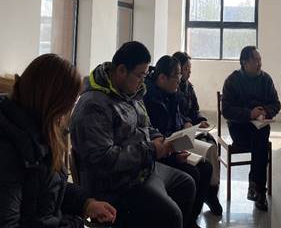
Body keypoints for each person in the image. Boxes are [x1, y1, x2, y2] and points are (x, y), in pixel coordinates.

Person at [70, 41, 196, 228]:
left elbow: (146, 125)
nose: (143, 81)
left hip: (141, 170)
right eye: (140, 75)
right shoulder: (93, 105)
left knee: (186, 184)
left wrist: (159, 139)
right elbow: (103, 159)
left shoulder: (132, 93)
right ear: (121, 70)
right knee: (171, 215)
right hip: (116, 185)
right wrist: (152, 150)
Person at [0, 54, 116, 227]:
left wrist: (86, 204)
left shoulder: (38, 131)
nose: (68, 113)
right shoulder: (9, 148)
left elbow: (48, 189)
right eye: (68, 105)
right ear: (52, 102)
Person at [144, 55, 221, 224]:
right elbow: (152, 134)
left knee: (206, 165)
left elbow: (183, 115)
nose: (180, 79)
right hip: (161, 152)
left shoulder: (173, 93)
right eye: (177, 75)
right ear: (162, 78)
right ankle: (185, 220)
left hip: (174, 144)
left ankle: (192, 218)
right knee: (193, 173)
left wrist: (187, 123)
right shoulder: (148, 98)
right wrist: (173, 153)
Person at [221, 46, 281, 211]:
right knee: (261, 140)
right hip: (239, 128)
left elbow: (276, 104)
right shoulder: (232, 80)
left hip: (259, 126)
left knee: (260, 135)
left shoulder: (266, 79)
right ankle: (259, 189)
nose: (259, 63)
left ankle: (256, 188)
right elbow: (226, 110)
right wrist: (249, 114)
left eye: (260, 60)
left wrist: (265, 111)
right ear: (244, 62)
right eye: (255, 60)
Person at [172, 51, 222, 214]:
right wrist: (185, 121)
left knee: (210, 142)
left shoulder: (189, 87)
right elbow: (176, 114)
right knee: (208, 149)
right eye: (186, 69)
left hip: (192, 129)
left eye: (189, 68)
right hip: (180, 133)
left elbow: (195, 109)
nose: (189, 72)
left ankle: (212, 192)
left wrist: (200, 119)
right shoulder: (172, 89)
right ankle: (208, 194)